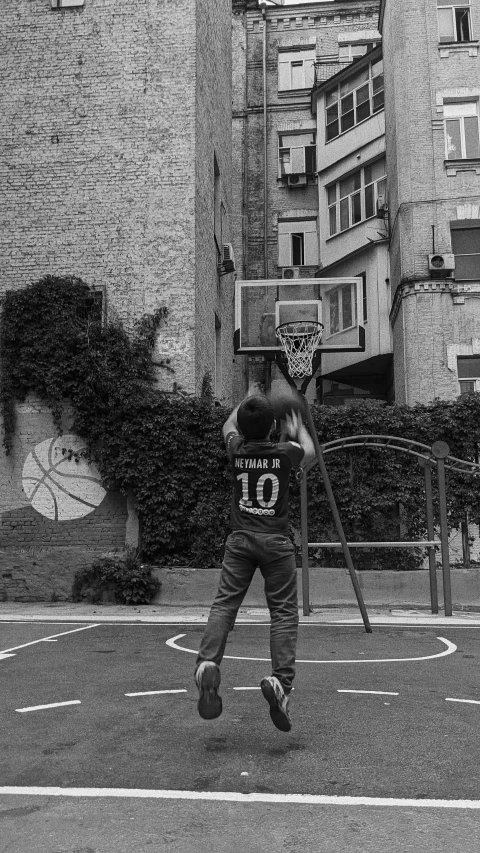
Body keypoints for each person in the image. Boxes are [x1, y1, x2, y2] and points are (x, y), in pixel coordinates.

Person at [194, 393, 315, 732]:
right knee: (283, 614)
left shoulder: (237, 449)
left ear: (244, 430)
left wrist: (248, 400)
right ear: (274, 427)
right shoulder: (284, 452)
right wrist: (297, 426)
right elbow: (312, 453)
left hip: (241, 540)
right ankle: (281, 683)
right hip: (277, 543)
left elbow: (227, 424)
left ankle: (207, 664)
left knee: (224, 606)